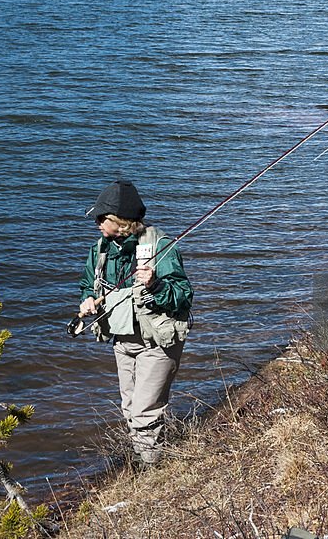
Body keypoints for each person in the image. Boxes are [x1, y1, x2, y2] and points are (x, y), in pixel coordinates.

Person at [77, 179, 193, 467]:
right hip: (122, 341)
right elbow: (87, 286)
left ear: (120, 220)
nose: (96, 223)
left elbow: (183, 296)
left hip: (158, 343)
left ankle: (152, 473)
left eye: (101, 218)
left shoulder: (160, 245)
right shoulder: (100, 250)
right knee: (130, 410)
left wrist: (154, 285)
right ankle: (146, 461)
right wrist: (88, 300)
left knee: (144, 412)